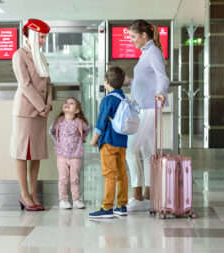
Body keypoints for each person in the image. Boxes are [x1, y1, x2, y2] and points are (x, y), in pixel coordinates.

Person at [124, 20, 169, 212]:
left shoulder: (152, 53)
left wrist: (161, 93)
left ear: (144, 35)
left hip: (149, 107)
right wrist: (129, 81)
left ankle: (137, 197)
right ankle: (150, 197)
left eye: (133, 36)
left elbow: (162, 76)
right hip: (145, 107)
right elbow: (147, 81)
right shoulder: (146, 54)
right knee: (147, 154)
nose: (132, 40)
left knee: (130, 150)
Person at [9, 19, 52, 211]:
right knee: (22, 153)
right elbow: (25, 85)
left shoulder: (40, 57)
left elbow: (48, 83)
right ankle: (24, 195)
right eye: (41, 37)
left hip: (41, 112)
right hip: (26, 112)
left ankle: (33, 194)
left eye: (44, 37)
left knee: (36, 154)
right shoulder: (20, 55)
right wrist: (42, 105)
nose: (43, 40)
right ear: (33, 35)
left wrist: (48, 105)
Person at [88, 66, 129, 219]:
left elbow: (101, 121)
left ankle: (107, 207)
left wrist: (94, 139)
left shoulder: (108, 99)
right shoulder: (124, 98)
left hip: (108, 141)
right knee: (122, 174)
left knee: (109, 175)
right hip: (122, 142)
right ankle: (122, 205)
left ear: (106, 82)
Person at [49, 97, 90, 210]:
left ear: (76, 110)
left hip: (75, 156)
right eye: (66, 103)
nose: (67, 104)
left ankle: (76, 199)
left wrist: (82, 140)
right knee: (63, 178)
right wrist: (57, 142)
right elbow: (51, 131)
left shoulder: (79, 122)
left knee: (75, 178)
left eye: (71, 103)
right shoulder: (59, 121)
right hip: (61, 156)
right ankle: (63, 200)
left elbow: (88, 129)